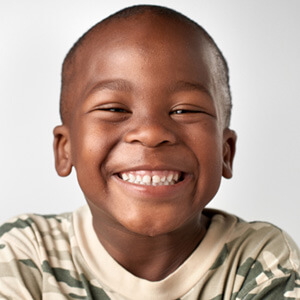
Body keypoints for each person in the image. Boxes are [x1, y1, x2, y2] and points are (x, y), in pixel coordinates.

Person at [0, 5, 299, 300]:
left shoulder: (263, 261)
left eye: (185, 110)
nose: (151, 133)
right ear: (66, 149)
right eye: (114, 109)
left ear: (226, 151)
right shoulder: (25, 253)